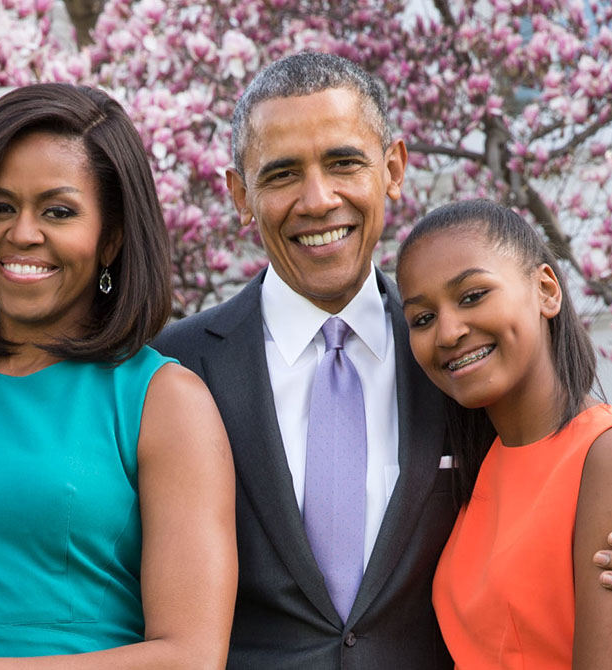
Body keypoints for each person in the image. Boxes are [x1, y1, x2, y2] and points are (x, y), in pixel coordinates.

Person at [0, 82, 237, 669]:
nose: (22, 233)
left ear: (111, 238)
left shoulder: (163, 400)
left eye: (58, 211)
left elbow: (190, 657)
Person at [152, 52, 457, 668]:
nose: (318, 201)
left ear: (393, 168)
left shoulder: (459, 355)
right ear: (240, 195)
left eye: (344, 162)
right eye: (282, 174)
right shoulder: (170, 370)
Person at [395, 198, 612, 668]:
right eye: (422, 318)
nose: (448, 332)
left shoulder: (606, 455)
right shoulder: (478, 467)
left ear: (545, 289)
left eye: (472, 295)